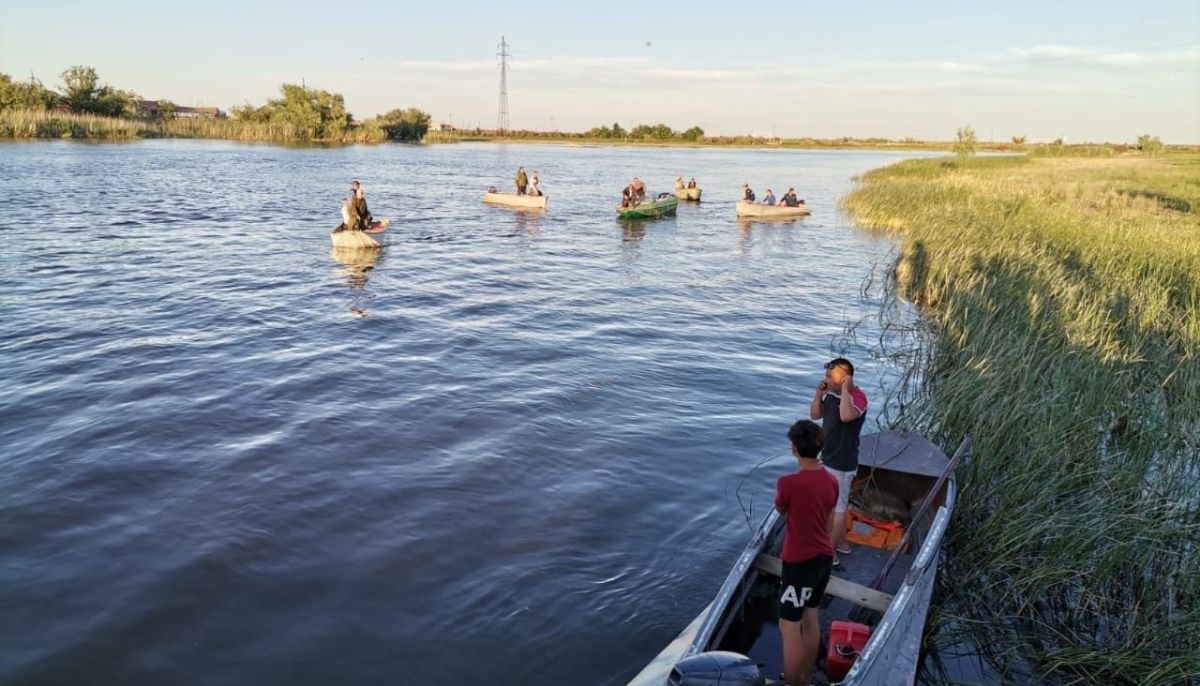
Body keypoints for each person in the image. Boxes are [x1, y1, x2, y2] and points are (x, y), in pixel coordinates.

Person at [775, 419, 838, 686]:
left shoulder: (788, 483)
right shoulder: (832, 481)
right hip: (823, 558)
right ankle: (806, 677)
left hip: (798, 562)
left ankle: (793, 683)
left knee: (789, 626)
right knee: (810, 615)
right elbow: (829, 518)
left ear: (794, 449)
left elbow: (781, 508)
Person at [809, 357, 868, 567]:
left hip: (842, 462)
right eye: (826, 376)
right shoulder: (831, 395)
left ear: (845, 378)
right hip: (827, 457)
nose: (826, 379)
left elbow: (846, 417)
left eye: (830, 376)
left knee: (838, 508)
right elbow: (815, 415)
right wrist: (819, 394)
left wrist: (845, 390)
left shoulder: (858, 397)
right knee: (831, 506)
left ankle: (830, 554)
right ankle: (842, 543)